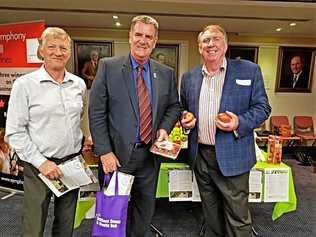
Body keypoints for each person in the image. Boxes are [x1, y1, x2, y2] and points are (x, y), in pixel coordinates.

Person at [89, 15, 181, 237]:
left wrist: (163, 128)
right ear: (129, 37)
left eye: (148, 36)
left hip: (149, 158)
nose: (143, 40)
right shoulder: (108, 67)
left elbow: (173, 107)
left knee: (144, 211)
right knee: (113, 214)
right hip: (117, 157)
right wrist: (105, 152)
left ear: (155, 40)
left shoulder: (165, 73)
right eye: (138, 34)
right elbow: (97, 112)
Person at [180, 25, 271, 237]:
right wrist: (186, 118)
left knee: (237, 216)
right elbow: (183, 107)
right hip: (201, 156)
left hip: (234, 155)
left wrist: (239, 122)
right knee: (210, 213)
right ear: (199, 47)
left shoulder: (249, 70)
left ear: (225, 45)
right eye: (206, 41)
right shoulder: (189, 77)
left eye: (216, 39)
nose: (211, 44)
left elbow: (263, 108)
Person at [5, 27, 87, 237]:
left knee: (66, 224)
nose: (58, 52)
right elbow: (14, 132)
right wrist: (42, 162)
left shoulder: (78, 84)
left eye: (63, 48)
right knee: (34, 225)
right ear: (41, 50)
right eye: (52, 47)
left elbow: (77, 118)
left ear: (69, 52)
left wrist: (82, 139)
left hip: (70, 164)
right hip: (38, 167)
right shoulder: (25, 85)